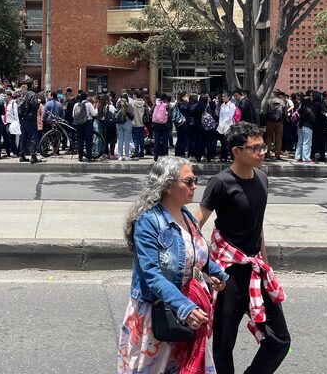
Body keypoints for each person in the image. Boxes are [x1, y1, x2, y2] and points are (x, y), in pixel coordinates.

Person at [118, 157, 229, 373]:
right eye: (188, 181)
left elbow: (195, 256)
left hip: (187, 314)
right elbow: (152, 274)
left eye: (195, 180)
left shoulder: (187, 216)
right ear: (167, 185)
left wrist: (215, 273)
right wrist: (184, 307)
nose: (194, 186)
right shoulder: (148, 221)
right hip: (159, 315)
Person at [195, 122, 290, 374]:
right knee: (224, 345)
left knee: (279, 340)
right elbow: (195, 226)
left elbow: (257, 227)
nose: (262, 152)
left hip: (256, 269)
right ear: (237, 151)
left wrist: (266, 263)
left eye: (263, 146)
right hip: (228, 273)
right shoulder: (220, 183)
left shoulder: (262, 178)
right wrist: (204, 269)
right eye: (255, 148)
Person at [17, 79, 41, 164]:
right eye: (35, 84)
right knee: (33, 137)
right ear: (31, 85)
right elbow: (34, 105)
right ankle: (33, 156)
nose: (36, 85)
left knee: (23, 137)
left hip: (23, 118)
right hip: (31, 118)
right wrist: (38, 103)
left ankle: (22, 155)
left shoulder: (22, 94)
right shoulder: (32, 94)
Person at [264, 90, 285, 161]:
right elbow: (284, 112)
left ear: (273, 94)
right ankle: (278, 155)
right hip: (279, 122)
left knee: (268, 138)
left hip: (270, 121)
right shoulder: (282, 102)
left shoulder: (269, 101)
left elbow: (265, 111)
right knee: (279, 139)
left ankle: (267, 154)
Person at [294, 94, 317, 163]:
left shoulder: (300, 108)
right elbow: (313, 119)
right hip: (307, 127)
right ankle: (306, 158)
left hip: (300, 126)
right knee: (307, 143)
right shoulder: (309, 109)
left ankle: (298, 157)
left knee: (299, 142)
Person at [73, 91, 95, 162]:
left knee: (80, 140)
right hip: (88, 123)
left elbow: (73, 115)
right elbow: (94, 114)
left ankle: (80, 156)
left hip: (79, 124)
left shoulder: (76, 104)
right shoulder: (89, 104)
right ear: (86, 97)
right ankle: (89, 156)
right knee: (88, 140)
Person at [115, 92, 134, 161]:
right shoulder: (129, 105)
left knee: (120, 140)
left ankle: (120, 156)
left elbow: (116, 114)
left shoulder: (118, 105)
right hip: (127, 123)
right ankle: (126, 156)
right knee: (127, 140)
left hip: (119, 124)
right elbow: (132, 116)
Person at [131, 91, 147, 159]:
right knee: (141, 139)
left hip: (135, 123)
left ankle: (136, 152)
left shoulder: (134, 103)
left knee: (135, 139)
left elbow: (131, 112)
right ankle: (142, 152)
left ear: (135, 95)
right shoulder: (144, 103)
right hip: (142, 123)